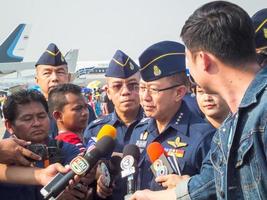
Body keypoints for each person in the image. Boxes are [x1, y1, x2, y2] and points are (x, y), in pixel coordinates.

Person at [131, 1, 267, 199]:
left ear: (203, 60)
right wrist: (157, 196)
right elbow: (212, 180)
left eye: (188, 60)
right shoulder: (230, 125)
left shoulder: (262, 112)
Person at [129, 41, 215, 191]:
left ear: (179, 93)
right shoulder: (139, 131)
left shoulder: (204, 137)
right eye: (142, 88)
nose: (145, 97)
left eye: (154, 90)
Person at [83, 50, 144, 199]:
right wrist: (97, 175)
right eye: (117, 86)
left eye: (133, 85)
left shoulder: (157, 125)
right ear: (108, 92)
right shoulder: (95, 130)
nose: (125, 92)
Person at [0, 89, 82, 200]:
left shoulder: (68, 150)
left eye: (41, 116)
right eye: (27, 119)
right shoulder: (3, 156)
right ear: (9, 126)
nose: (37, 123)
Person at [35, 43, 96, 138]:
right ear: (37, 80)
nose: (54, 78)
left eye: (60, 72)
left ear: (69, 77)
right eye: (47, 73)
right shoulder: (29, 112)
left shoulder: (85, 110)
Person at [48, 83, 89, 153]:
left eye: (86, 107)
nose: (85, 113)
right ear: (58, 115)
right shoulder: (68, 142)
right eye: (78, 108)